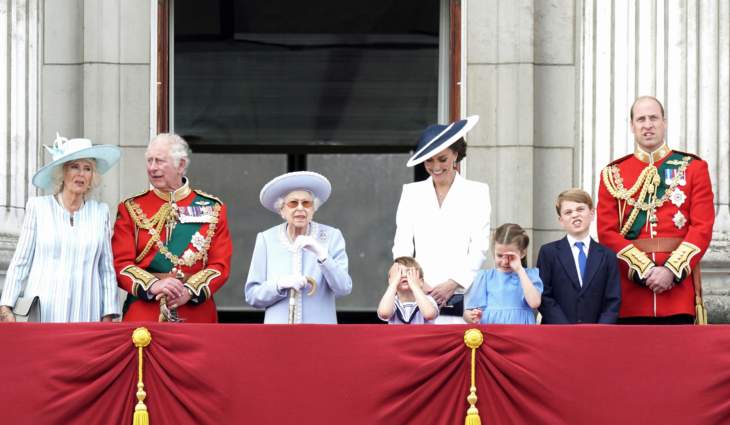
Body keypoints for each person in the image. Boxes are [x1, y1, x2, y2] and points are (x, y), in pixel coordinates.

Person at [597, 96, 715, 324]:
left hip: (677, 293)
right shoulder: (613, 174)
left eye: (653, 118)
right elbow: (607, 232)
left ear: (664, 122)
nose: (647, 124)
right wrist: (646, 270)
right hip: (631, 295)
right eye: (641, 119)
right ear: (632, 126)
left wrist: (671, 271)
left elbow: (702, 227)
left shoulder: (693, 168)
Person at [112, 133, 232, 323]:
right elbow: (120, 264)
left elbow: (220, 265)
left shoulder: (212, 208)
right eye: (149, 161)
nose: (152, 168)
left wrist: (189, 291)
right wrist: (154, 286)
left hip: (195, 311)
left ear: (181, 165)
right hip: (145, 311)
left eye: (159, 161)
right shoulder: (130, 208)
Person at [0, 133, 121, 322]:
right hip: (43, 314)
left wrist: (108, 313)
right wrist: (6, 306)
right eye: (74, 167)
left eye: (87, 168)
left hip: (87, 314)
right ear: (62, 172)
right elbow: (20, 262)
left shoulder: (100, 213)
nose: (81, 173)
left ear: (92, 177)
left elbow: (105, 268)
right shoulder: (38, 208)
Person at [392, 116, 491, 324]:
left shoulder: (477, 192)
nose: (436, 166)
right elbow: (402, 245)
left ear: (455, 154)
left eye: (442, 159)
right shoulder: (411, 193)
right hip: (418, 291)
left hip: (462, 291)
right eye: (429, 160)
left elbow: (479, 246)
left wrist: (453, 283)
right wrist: (418, 282)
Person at [245, 171, 353, 323]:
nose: (300, 208)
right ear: (282, 210)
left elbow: (344, 288)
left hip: (320, 335)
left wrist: (323, 256)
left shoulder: (332, 236)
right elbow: (252, 296)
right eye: (293, 203)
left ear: (313, 209)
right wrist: (279, 285)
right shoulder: (266, 239)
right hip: (277, 335)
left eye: (306, 203)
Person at [537, 189, 621, 324]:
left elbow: (613, 298)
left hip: (596, 335)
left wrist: (600, 330)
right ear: (561, 220)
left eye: (580, 209)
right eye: (568, 212)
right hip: (557, 333)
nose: (575, 215)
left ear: (592, 213)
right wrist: (566, 329)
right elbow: (544, 295)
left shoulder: (607, 255)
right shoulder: (548, 253)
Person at [464, 223, 542, 324]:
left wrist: (520, 270)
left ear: (522, 253)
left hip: (521, 331)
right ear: (493, 252)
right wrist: (472, 316)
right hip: (492, 331)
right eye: (500, 255)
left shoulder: (529, 275)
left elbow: (534, 303)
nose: (505, 261)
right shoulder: (485, 277)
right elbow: (468, 311)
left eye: (511, 256)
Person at [377, 256, 439, 324]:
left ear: (421, 282)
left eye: (409, 273)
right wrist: (393, 284)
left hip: (422, 334)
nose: (404, 275)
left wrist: (415, 286)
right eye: (399, 273)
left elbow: (429, 314)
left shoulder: (427, 300)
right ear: (391, 281)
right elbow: (384, 313)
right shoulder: (392, 302)